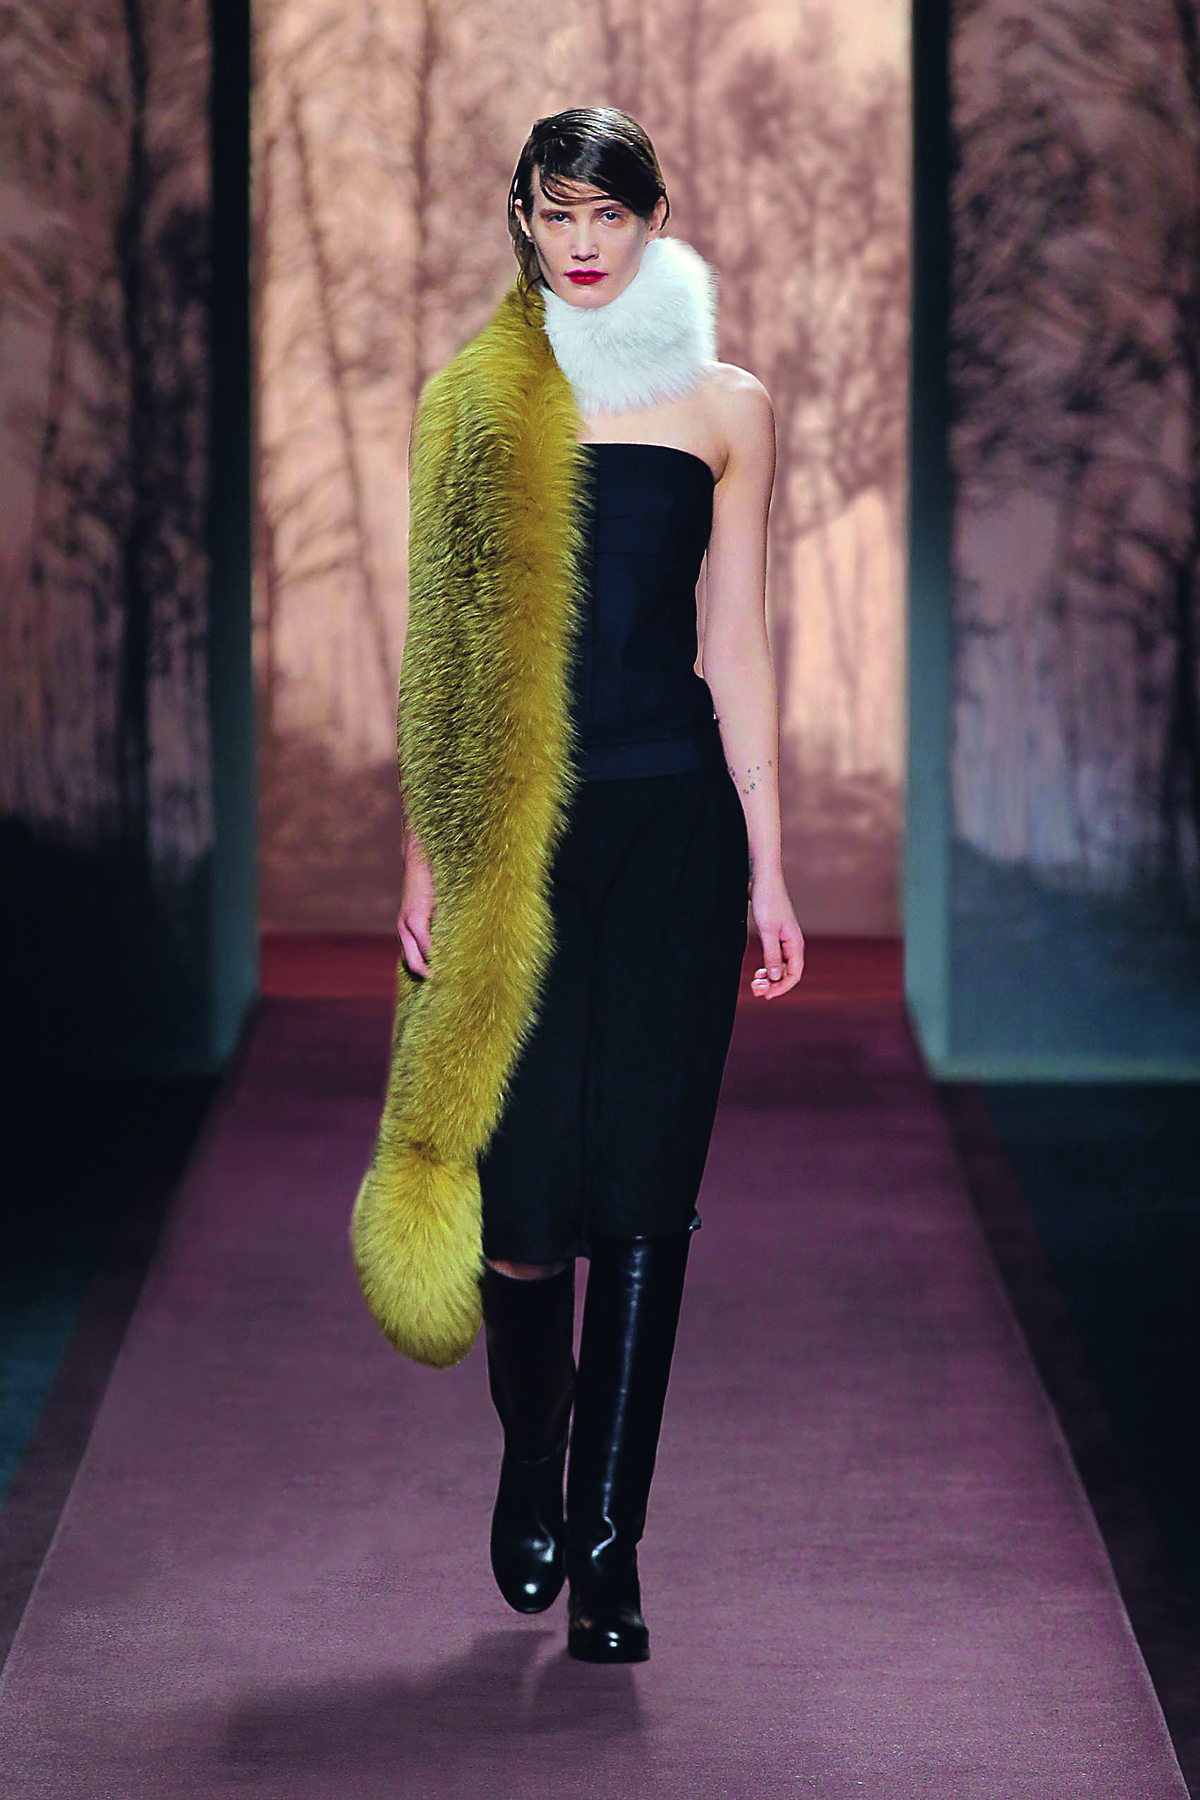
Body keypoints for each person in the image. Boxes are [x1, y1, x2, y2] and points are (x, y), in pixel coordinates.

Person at [352, 107, 803, 1665]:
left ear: (657, 219)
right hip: (519, 850)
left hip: (676, 830)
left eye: (611, 213)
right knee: (526, 1208)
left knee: (648, 1197)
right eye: (558, 213)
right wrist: (424, 849)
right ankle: (531, 1456)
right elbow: (442, 643)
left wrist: (771, 866)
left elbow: (737, 643)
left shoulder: (729, 407)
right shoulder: (478, 403)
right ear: (526, 222)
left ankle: (611, 1546)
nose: (585, 240)